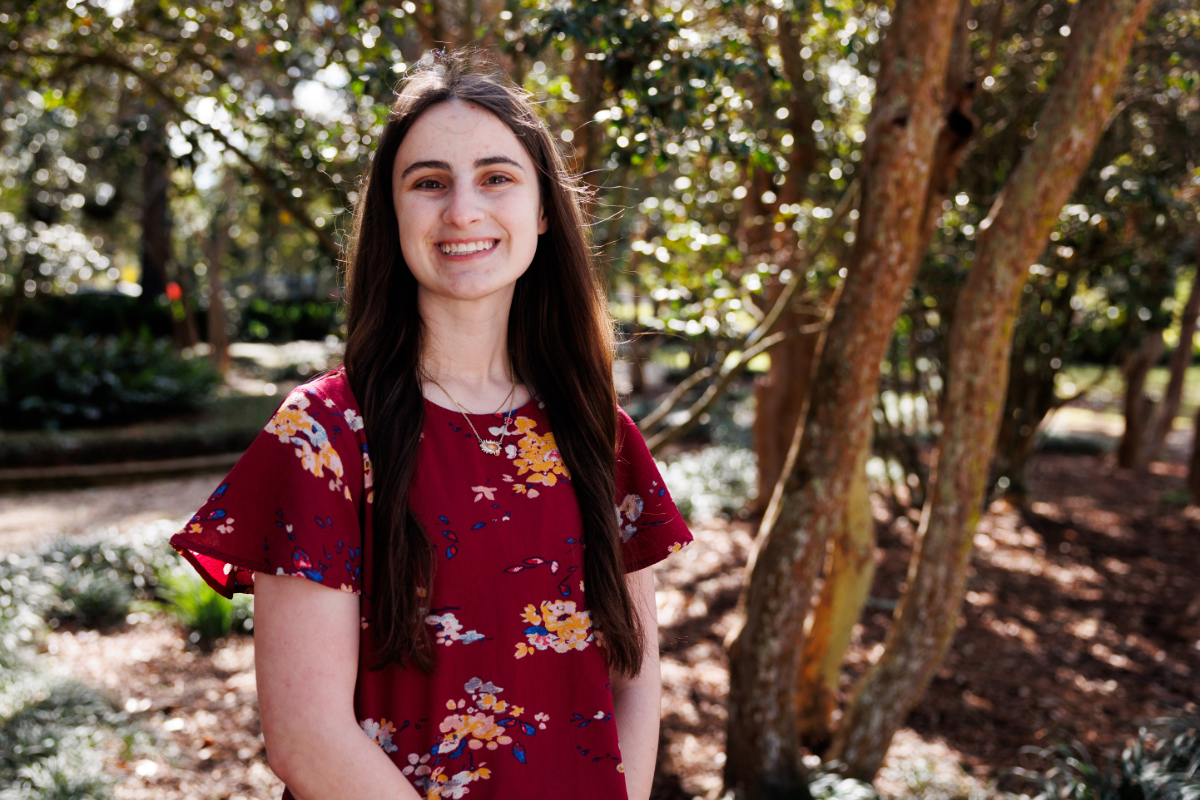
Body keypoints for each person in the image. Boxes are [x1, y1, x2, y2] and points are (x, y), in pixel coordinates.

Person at [170, 50, 693, 800]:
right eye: (429, 183)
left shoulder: (599, 434)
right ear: (392, 212)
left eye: (497, 177)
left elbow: (636, 677)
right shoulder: (323, 436)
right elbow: (305, 736)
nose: (463, 211)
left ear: (543, 210)